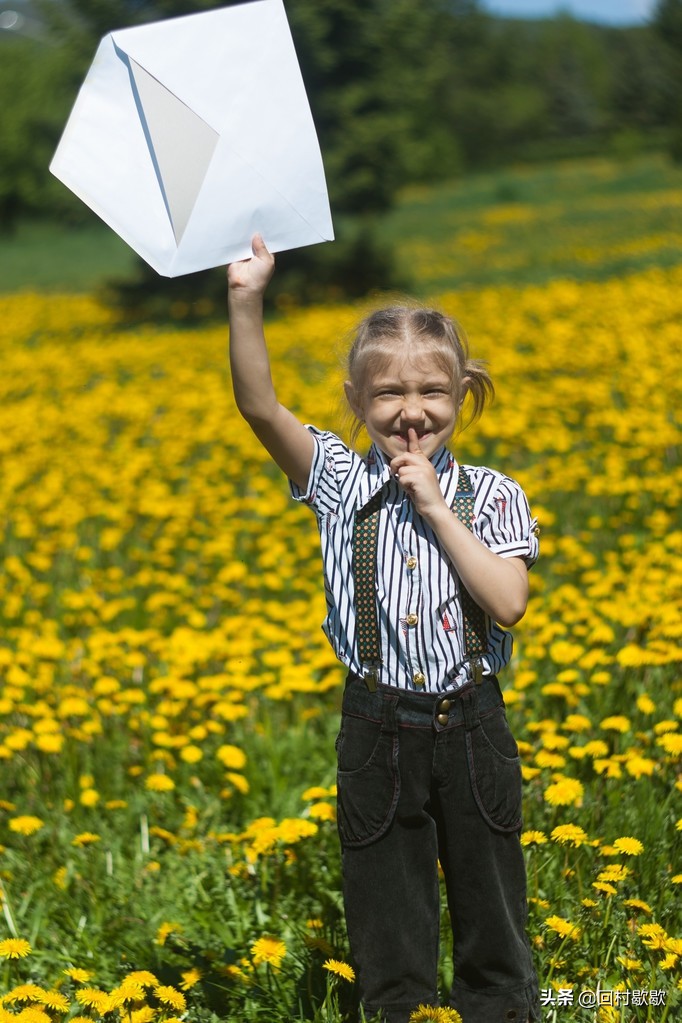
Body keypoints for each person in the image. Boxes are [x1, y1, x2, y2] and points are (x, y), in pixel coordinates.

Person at [227, 235, 541, 1023]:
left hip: (471, 722)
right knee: (386, 902)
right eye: (388, 394)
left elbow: (507, 601)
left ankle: (500, 1009)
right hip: (376, 726)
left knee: (490, 899)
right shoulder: (338, 481)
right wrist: (245, 297)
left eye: (433, 391)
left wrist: (435, 505)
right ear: (356, 400)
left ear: (465, 394)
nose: (411, 412)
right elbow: (259, 405)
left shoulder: (494, 494)